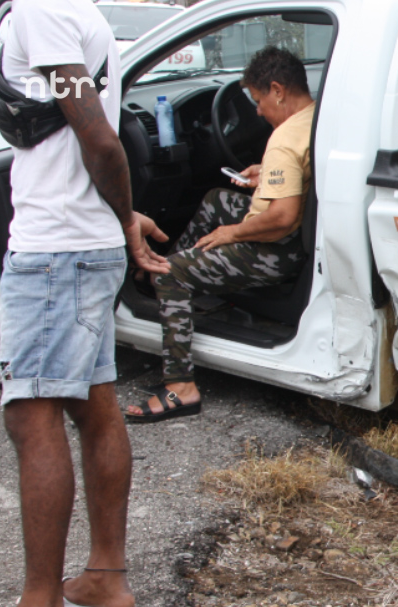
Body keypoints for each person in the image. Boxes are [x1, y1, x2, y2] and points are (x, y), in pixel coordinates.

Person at [0, 0, 169, 607]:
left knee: (32, 412)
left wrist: (127, 223)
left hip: (56, 249)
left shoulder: (41, 9)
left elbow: (100, 140)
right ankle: (105, 577)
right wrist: (120, 220)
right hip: (81, 244)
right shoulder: (74, 8)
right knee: (93, 403)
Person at [124, 46, 315, 422]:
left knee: (173, 273)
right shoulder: (316, 117)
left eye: (258, 100)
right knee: (216, 199)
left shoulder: (283, 138)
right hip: (298, 237)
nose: (257, 111)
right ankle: (173, 283)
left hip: (275, 248)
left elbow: (281, 216)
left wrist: (232, 233)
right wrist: (266, 175)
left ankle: (181, 387)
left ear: (278, 90)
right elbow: (298, 184)